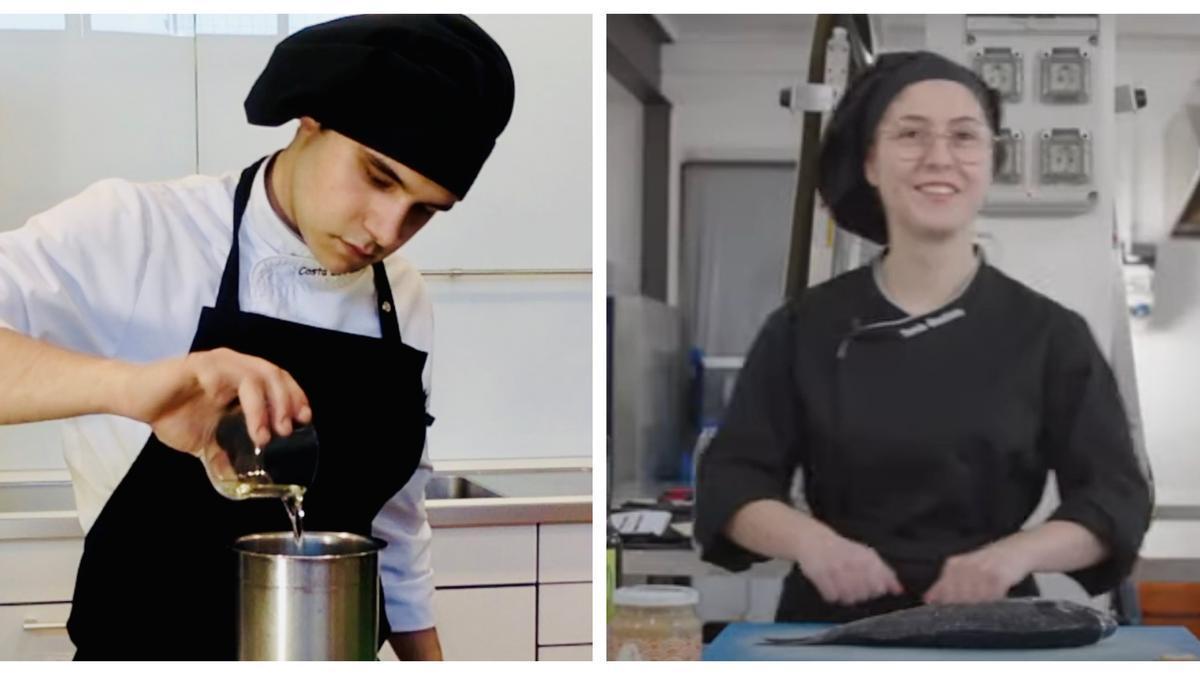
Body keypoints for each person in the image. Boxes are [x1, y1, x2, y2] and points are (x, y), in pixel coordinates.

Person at [0, 14, 514, 659]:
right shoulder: (140, 230)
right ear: (309, 121)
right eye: (379, 177)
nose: (386, 229)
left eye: (422, 210)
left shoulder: (401, 295)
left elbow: (395, 523)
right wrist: (127, 387)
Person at [693, 51, 1152, 624]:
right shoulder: (803, 328)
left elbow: (1116, 498)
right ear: (870, 162)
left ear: (990, 161)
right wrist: (815, 544)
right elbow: (732, 481)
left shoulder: (1049, 335)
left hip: (991, 622)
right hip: (833, 625)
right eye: (910, 134)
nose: (940, 158)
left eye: (964, 137)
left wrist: (1014, 555)